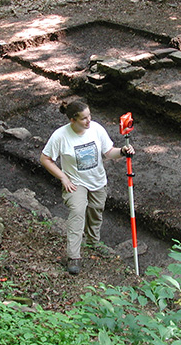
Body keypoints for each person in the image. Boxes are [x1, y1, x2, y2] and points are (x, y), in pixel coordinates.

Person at [40, 100, 135, 275]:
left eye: (89, 116)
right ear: (72, 120)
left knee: (96, 211)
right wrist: (63, 177)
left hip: (97, 181)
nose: (88, 121)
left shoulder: (97, 129)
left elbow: (108, 153)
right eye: (83, 118)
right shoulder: (60, 136)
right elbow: (45, 159)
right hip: (76, 183)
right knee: (77, 212)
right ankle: (73, 256)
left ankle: (92, 242)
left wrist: (122, 151)